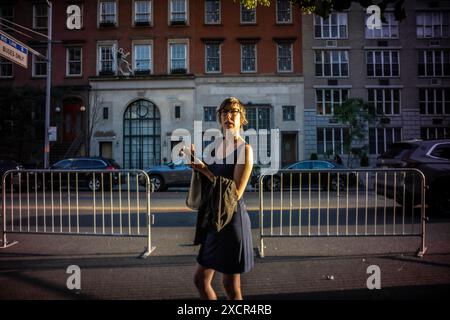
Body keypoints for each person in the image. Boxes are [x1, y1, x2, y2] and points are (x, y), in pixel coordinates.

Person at [188, 97, 254, 300]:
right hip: (213, 221)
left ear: (242, 118)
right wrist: (196, 165)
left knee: (230, 287)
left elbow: (235, 194)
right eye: (224, 113)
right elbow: (209, 180)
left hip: (231, 221)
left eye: (233, 112)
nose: (228, 116)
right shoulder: (215, 148)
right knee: (200, 280)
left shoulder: (245, 150)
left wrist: (205, 172)